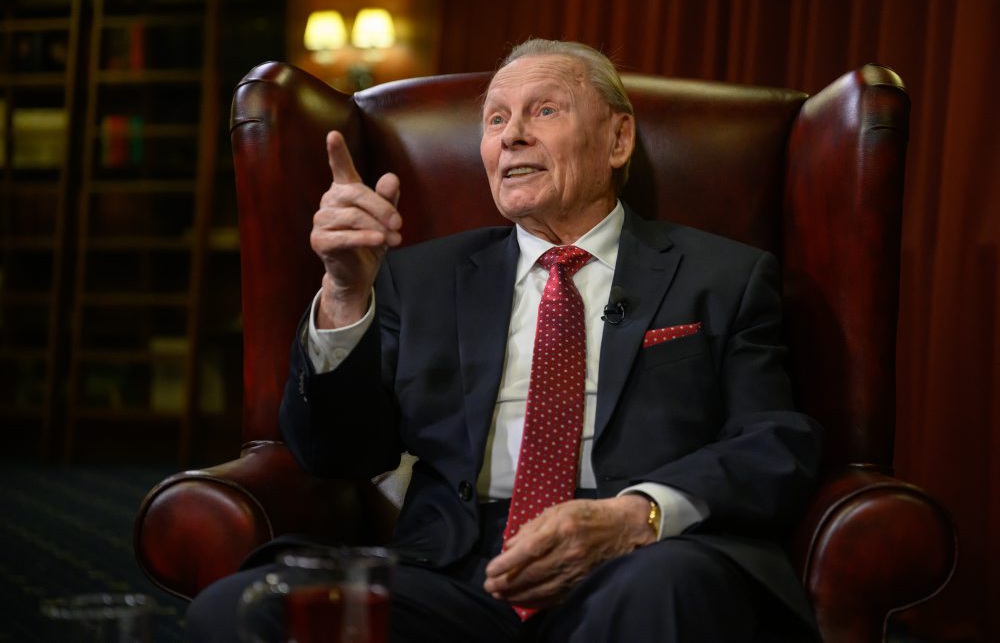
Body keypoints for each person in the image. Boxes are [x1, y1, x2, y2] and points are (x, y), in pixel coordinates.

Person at [187, 38, 823, 642]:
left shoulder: (722, 276)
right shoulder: (418, 278)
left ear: (618, 139)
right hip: (456, 568)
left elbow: (772, 441)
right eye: (495, 119)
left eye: (544, 110)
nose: (512, 134)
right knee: (240, 608)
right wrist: (345, 293)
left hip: (635, 554)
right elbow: (334, 452)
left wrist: (639, 515)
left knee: (668, 587)